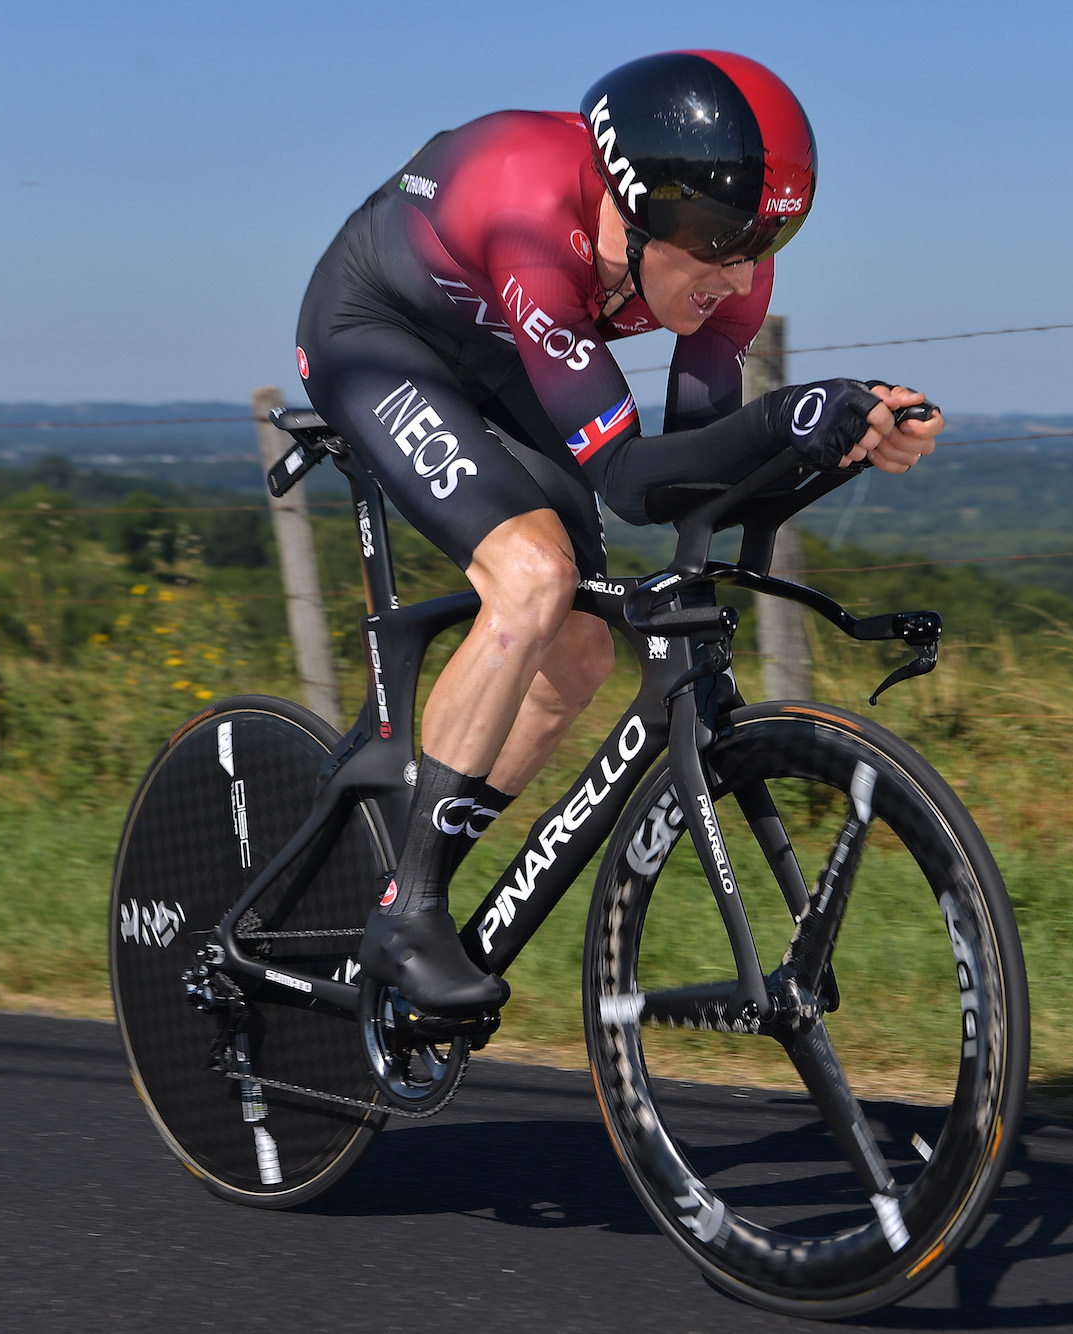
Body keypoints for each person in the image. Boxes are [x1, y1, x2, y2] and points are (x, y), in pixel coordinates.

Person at [293, 50, 943, 1017]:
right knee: (530, 577)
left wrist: (836, 442)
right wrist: (789, 414)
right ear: (640, 205)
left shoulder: (731, 276)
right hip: (376, 335)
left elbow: (697, 475)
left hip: (503, 356)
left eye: (772, 238)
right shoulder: (530, 215)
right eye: (724, 239)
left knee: (582, 651)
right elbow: (631, 485)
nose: (742, 273)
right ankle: (406, 910)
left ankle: (407, 852)